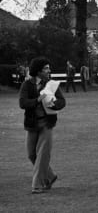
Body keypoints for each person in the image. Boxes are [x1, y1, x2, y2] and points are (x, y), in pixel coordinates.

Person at [19, 57, 66, 194]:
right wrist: (38, 100)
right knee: (31, 154)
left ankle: (37, 185)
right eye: (46, 68)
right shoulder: (27, 85)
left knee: (42, 155)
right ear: (38, 71)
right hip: (32, 124)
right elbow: (23, 103)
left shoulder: (51, 84)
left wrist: (55, 104)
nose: (49, 70)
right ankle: (50, 176)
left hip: (47, 123)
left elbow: (62, 101)